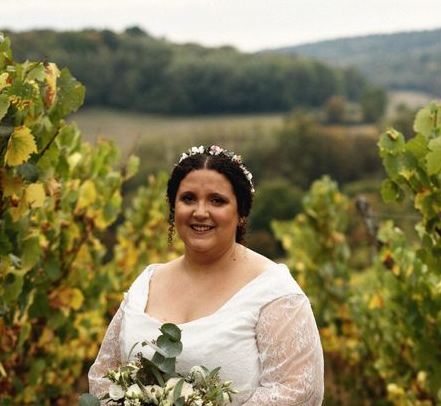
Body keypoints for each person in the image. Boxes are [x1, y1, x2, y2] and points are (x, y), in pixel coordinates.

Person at [88, 145, 324, 405]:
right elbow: (103, 377)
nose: (200, 212)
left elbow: (296, 391)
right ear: (173, 208)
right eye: (188, 198)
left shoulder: (275, 292)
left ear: (241, 213)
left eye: (217, 200)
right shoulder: (146, 284)